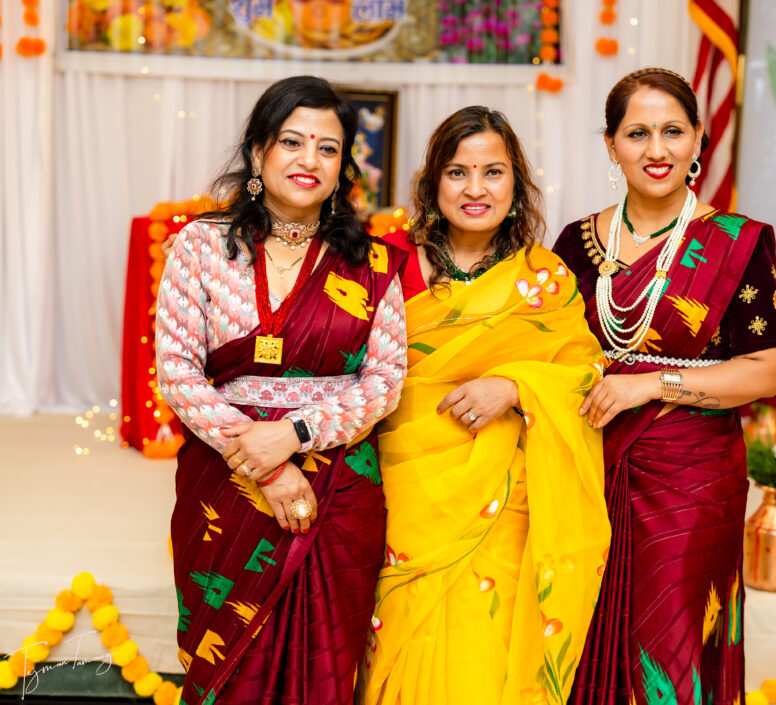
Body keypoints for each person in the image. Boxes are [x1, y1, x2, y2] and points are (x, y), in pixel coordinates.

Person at [156, 76, 406, 705]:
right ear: (258, 152)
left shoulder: (374, 263)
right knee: (228, 664)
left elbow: (384, 382)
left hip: (340, 484)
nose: (309, 159)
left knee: (325, 662)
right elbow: (179, 373)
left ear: (343, 166)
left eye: (328, 147)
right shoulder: (202, 246)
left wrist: (294, 434)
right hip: (226, 481)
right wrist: (264, 466)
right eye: (292, 141)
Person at [358, 106, 611, 704]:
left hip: (504, 500)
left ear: (516, 184)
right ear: (433, 184)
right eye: (457, 172)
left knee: (483, 655)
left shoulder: (545, 280)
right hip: (400, 492)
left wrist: (516, 387)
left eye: (492, 172)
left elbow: (586, 374)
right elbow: (340, 366)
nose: (475, 189)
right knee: (400, 641)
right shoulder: (381, 262)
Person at [552, 68, 776, 705]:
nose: (657, 150)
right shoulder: (575, 244)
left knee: (670, 649)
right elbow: (545, 354)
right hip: (586, 466)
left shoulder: (736, 244)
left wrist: (652, 384)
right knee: (579, 637)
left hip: (690, 480)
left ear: (699, 138)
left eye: (672, 131)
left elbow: (764, 371)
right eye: (638, 133)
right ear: (611, 145)